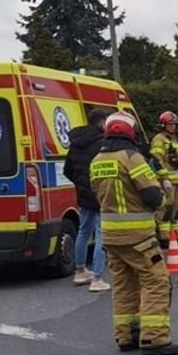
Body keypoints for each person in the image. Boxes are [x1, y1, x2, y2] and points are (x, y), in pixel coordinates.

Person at [90, 111, 178, 355]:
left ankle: (126, 334)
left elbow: (94, 194)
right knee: (156, 282)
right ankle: (154, 338)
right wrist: (163, 198)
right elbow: (153, 197)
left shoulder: (97, 160)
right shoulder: (132, 158)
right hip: (137, 237)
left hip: (110, 237)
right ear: (131, 133)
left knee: (123, 285)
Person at [64, 108, 111, 292]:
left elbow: (67, 170)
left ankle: (80, 271)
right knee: (101, 235)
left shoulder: (75, 142)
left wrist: (80, 184)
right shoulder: (102, 143)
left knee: (83, 232)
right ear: (102, 122)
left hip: (83, 196)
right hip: (99, 195)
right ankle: (98, 278)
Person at [150, 110, 178, 248]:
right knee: (166, 208)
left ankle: (175, 236)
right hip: (166, 182)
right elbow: (157, 160)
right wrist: (164, 179)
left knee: (177, 208)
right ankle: (163, 237)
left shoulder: (173, 140)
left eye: (174, 124)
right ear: (163, 125)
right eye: (169, 124)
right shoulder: (159, 140)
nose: (172, 127)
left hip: (177, 181)